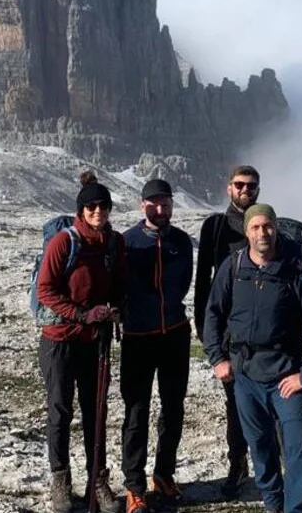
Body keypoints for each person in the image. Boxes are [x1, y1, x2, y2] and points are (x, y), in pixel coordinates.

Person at [203, 203, 302, 513]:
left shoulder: (296, 270)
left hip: (286, 373)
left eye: (268, 226)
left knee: (298, 448)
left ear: (276, 228)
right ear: (246, 232)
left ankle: (297, 509)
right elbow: (213, 313)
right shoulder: (232, 267)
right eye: (256, 227)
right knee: (259, 446)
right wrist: (217, 358)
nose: (263, 233)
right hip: (244, 375)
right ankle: (273, 503)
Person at [36, 171, 126, 513]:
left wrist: (114, 310)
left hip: (95, 341)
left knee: (96, 412)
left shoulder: (114, 243)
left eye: (103, 205)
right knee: (60, 410)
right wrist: (82, 315)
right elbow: (45, 290)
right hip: (60, 339)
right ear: (81, 209)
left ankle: (97, 480)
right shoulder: (65, 242)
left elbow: (119, 284)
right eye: (91, 206)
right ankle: (60, 480)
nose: (98, 211)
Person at [119, 179, 194, 513]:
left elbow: (183, 283)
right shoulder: (127, 243)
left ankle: (164, 473)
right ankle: (134, 484)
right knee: (136, 411)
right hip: (138, 338)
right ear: (142, 205)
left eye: (165, 204)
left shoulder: (181, 241)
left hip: (174, 333)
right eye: (154, 204)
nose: (160, 210)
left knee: (173, 408)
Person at [193, 164, 261, 497]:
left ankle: (264, 466)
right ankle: (238, 465)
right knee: (234, 402)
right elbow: (202, 278)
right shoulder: (215, 226)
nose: (246, 191)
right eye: (240, 185)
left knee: (267, 402)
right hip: (229, 331)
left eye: (251, 186)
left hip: (264, 332)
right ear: (228, 188)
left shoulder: (265, 223)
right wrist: (204, 328)